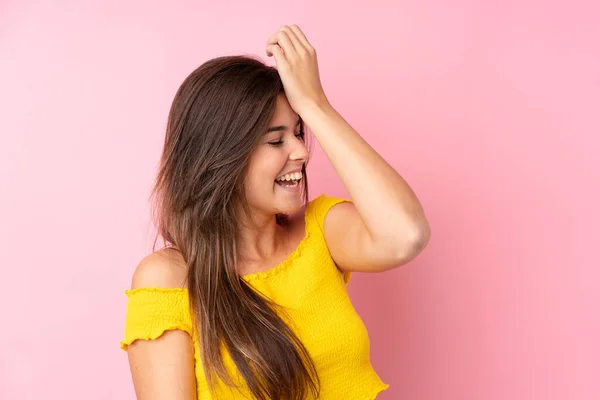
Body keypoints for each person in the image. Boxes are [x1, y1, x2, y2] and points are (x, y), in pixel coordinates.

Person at [120, 25, 431, 400]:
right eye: (276, 139)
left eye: (299, 132)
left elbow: (406, 235)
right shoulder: (169, 278)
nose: (301, 152)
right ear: (220, 158)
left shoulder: (322, 231)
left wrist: (316, 104)